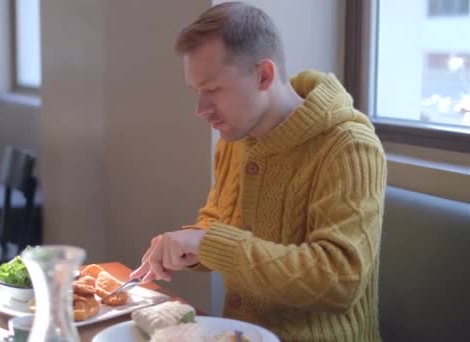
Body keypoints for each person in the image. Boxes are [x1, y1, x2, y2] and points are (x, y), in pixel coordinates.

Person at [130, 2, 386, 341]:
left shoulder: (349, 147)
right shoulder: (236, 136)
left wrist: (210, 242)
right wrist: (185, 245)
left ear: (264, 75)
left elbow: (340, 280)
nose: (201, 111)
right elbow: (218, 223)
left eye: (213, 89)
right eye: (197, 92)